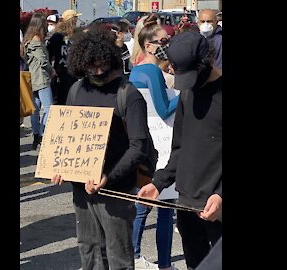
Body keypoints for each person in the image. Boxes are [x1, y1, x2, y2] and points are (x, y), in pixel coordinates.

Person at [52, 26, 151, 270]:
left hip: (115, 192)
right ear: (81, 63)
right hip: (82, 191)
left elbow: (139, 146)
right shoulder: (76, 90)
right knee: (89, 252)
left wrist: (109, 176)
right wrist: (58, 167)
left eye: (102, 65)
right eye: (91, 66)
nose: (97, 71)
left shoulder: (127, 94)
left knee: (118, 257)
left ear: (111, 60)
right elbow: (66, 136)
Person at [138, 31, 223, 270]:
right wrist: (158, 183)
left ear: (207, 60)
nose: (188, 83)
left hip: (217, 205)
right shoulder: (188, 92)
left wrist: (220, 194)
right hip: (186, 202)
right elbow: (180, 149)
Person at [129, 14, 179, 270]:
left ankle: (135, 255)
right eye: (163, 40)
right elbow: (165, 109)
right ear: (149, 46)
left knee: (143, 204)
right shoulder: (151, 71)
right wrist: (184, 92)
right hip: (160, 143)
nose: (167, 44)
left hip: (143, 144)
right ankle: (164, 263)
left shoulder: (137, 69)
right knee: (164, 208)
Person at [21, 12, 55, 150]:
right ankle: (42, 134)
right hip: (41, 78)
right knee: (49, 108)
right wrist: (52, 70)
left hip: (32, 78)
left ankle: (36, 135)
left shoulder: (28, 40)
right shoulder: (36, 41)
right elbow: (43, 60)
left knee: (35, 110)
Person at [46, 9, 82, 105]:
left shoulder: (75, 35)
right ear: (71, 20)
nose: (77, 21)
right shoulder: (57, 36)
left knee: (74, 98)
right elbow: (48, 52)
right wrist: (51, 70)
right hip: (61, 72)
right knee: (63, 100)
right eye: (76, 18)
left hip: (73, 72)